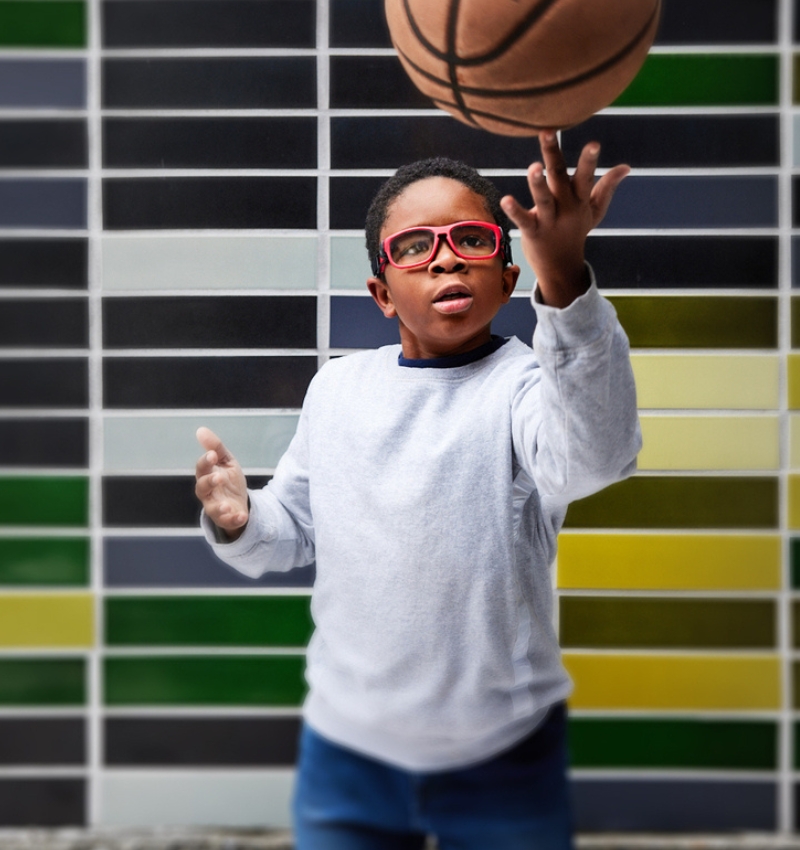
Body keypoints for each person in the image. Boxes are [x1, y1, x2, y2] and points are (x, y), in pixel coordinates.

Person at [195, 131, 641, 850]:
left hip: (501, 750)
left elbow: (597, 456)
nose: (443, 257)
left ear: (505, 274)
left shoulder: (527, 389)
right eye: (414, 247)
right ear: (381, 294)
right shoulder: (339, 389)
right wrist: (242, 518)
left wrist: (565, 281)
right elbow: (292, 532)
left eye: (469, 239)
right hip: (351, 750)